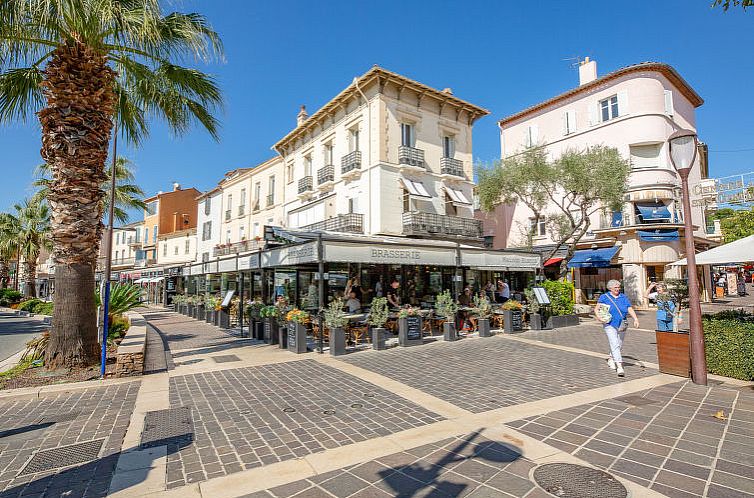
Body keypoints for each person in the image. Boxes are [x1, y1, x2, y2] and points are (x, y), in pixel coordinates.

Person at [594, 279, 640, 377]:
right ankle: (620, 366)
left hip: (622, 323)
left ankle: (611, 358)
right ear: (610, 288)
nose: (618, 289)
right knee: (614, 343)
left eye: (619, 287)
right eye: (615, 287)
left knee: (619, 343)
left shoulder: (623, 297)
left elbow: (629, 308)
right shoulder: (604, 297)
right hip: (609, 323)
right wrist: (599, 318)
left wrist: (635, 319)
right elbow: (597, 309)